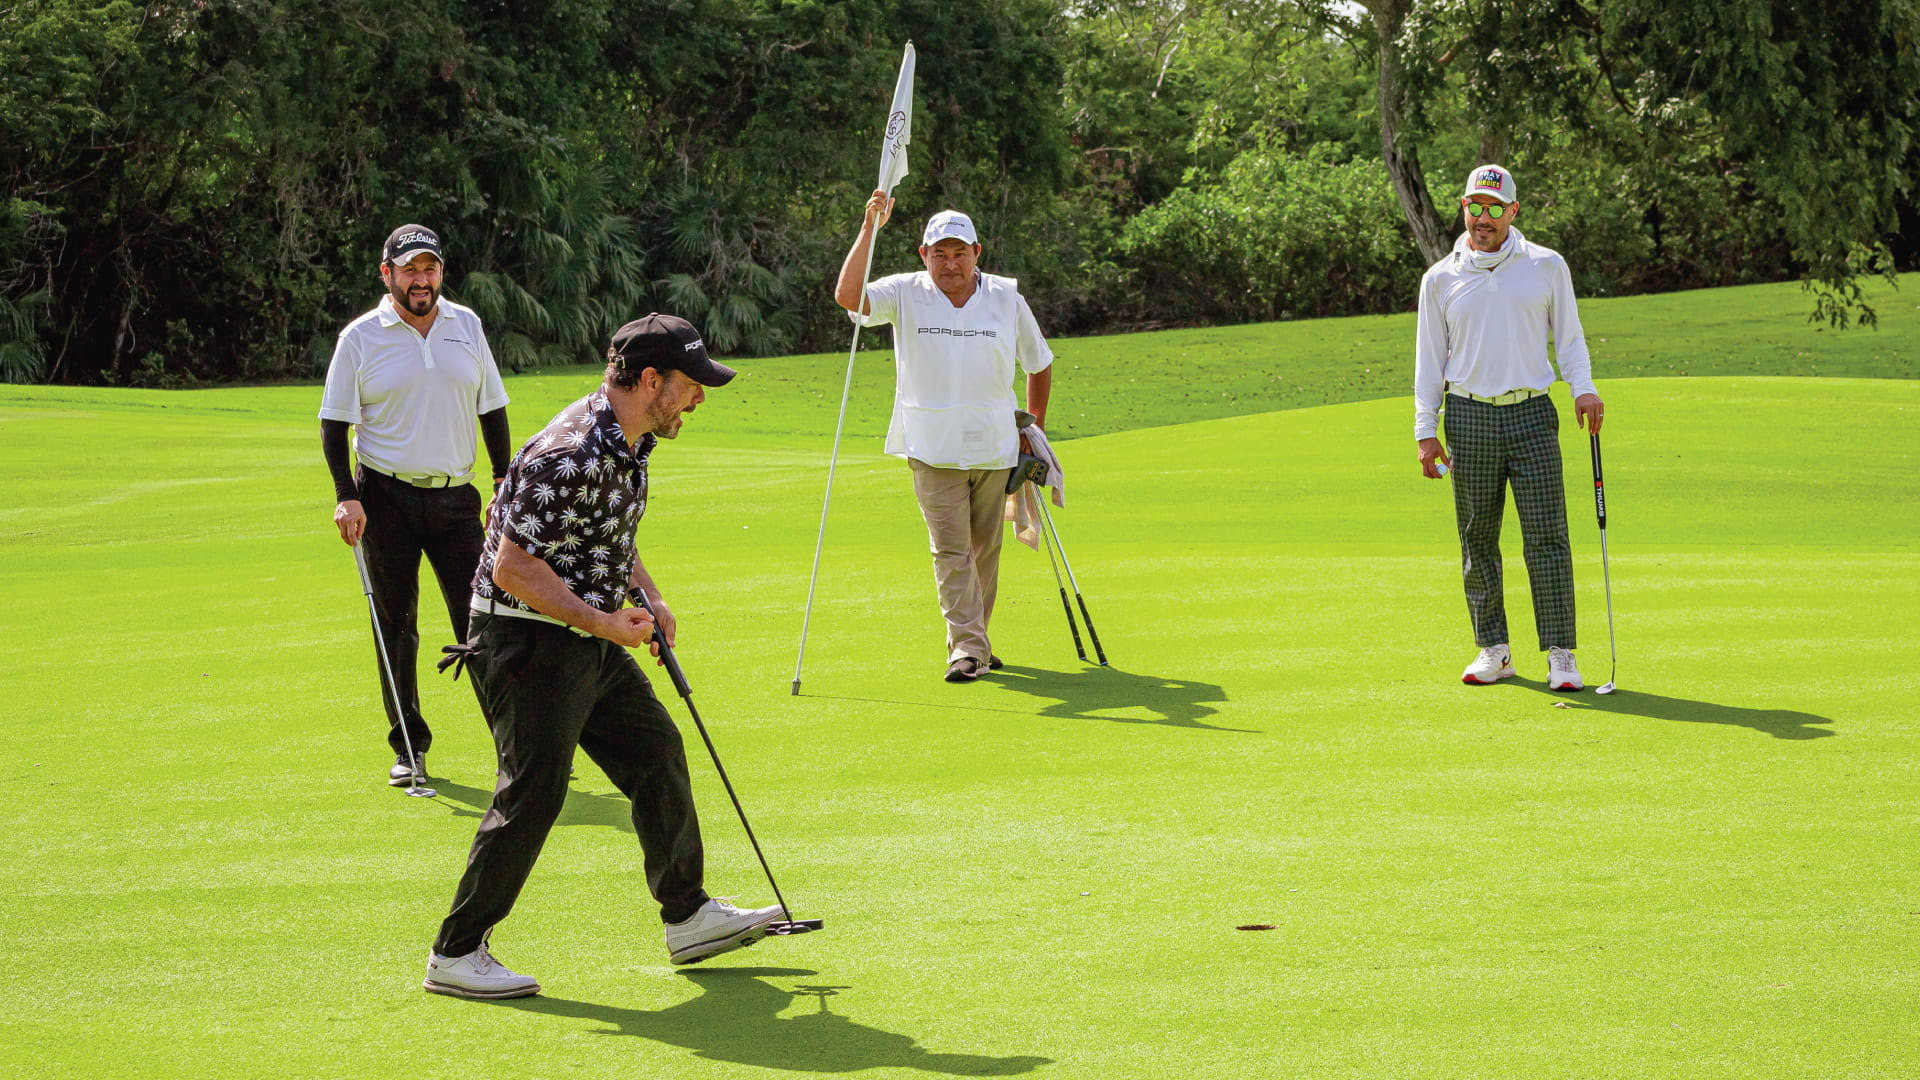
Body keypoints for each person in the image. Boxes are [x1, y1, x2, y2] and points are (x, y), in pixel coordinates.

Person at [421, 313, 784, 1000]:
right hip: (524, 639)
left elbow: (607, 534)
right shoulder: (570, 452)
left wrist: (647, 592)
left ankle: (688, 915)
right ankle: (456, 951)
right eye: (690, 385)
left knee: (655, 751)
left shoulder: (629, 443)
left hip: (583, 630)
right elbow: (512, 569)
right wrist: (606, 623)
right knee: (534, 792)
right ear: (650, 381)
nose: (699, 398)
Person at [834, 192, 1056, 683]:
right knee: (951, 549)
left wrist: (1032, 426)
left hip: (995, 446)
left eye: (960, 253)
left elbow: (1039, 365)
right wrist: (870, 226)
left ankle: (973, 639)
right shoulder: (905, 291)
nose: (950, 263)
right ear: (923, 255)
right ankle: (969, 649)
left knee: (984, 550)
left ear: (978, 253)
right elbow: (849, 298)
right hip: (931, 446)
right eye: (940, 253)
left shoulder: (1005, 298)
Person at [320, 224, 511, 785]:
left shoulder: (466, 325)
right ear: (388, 275)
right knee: (396, 623)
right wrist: (345, 496)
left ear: (440, 273)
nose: (421, 280)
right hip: (385, 495)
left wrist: (503, 480)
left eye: (429, 269)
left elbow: (492, 409)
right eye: (410, 270)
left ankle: (515, 744)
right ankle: (409, 746)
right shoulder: (360, 338)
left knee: (482, 620)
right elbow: (334, 424)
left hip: (457, 498)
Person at [1414, 164, 1606, 691]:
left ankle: (1561, 653)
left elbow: (1570, 339)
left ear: (1513, 212)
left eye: (1495, 208)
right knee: (1478, 537)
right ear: (1463, 208)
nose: (1483, 218)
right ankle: (1494, 649)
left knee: (1547, 537)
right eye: (1475, 206)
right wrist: (1425, 430)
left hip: (1532, 414)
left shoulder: (1546, 266)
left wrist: (1583, 388)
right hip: (1469, 416)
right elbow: (1429, 362)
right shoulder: (1440, 278)